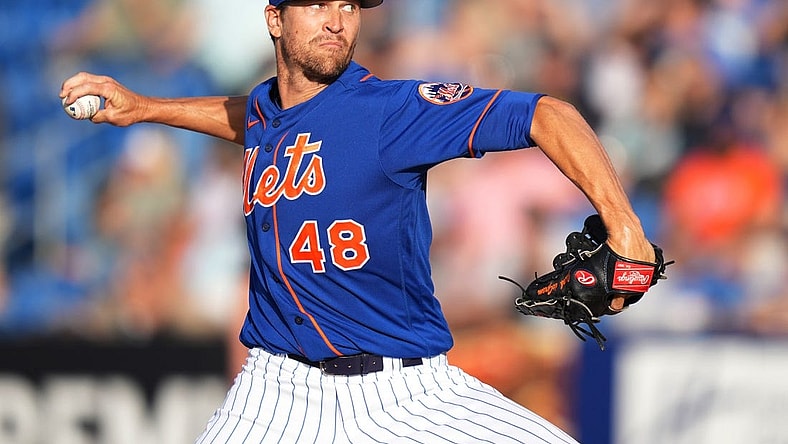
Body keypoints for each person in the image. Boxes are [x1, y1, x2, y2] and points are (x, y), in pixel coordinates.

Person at [60, 1, 657, 442]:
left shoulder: (391, 112)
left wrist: (623, 223)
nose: (337, 20)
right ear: (275, 19)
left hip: (404, 392)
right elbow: (250, 118)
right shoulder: (270, 107)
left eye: (349, 6)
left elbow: (548, 115)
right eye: (317, 4)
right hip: (275, 392)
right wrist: (146, 109)